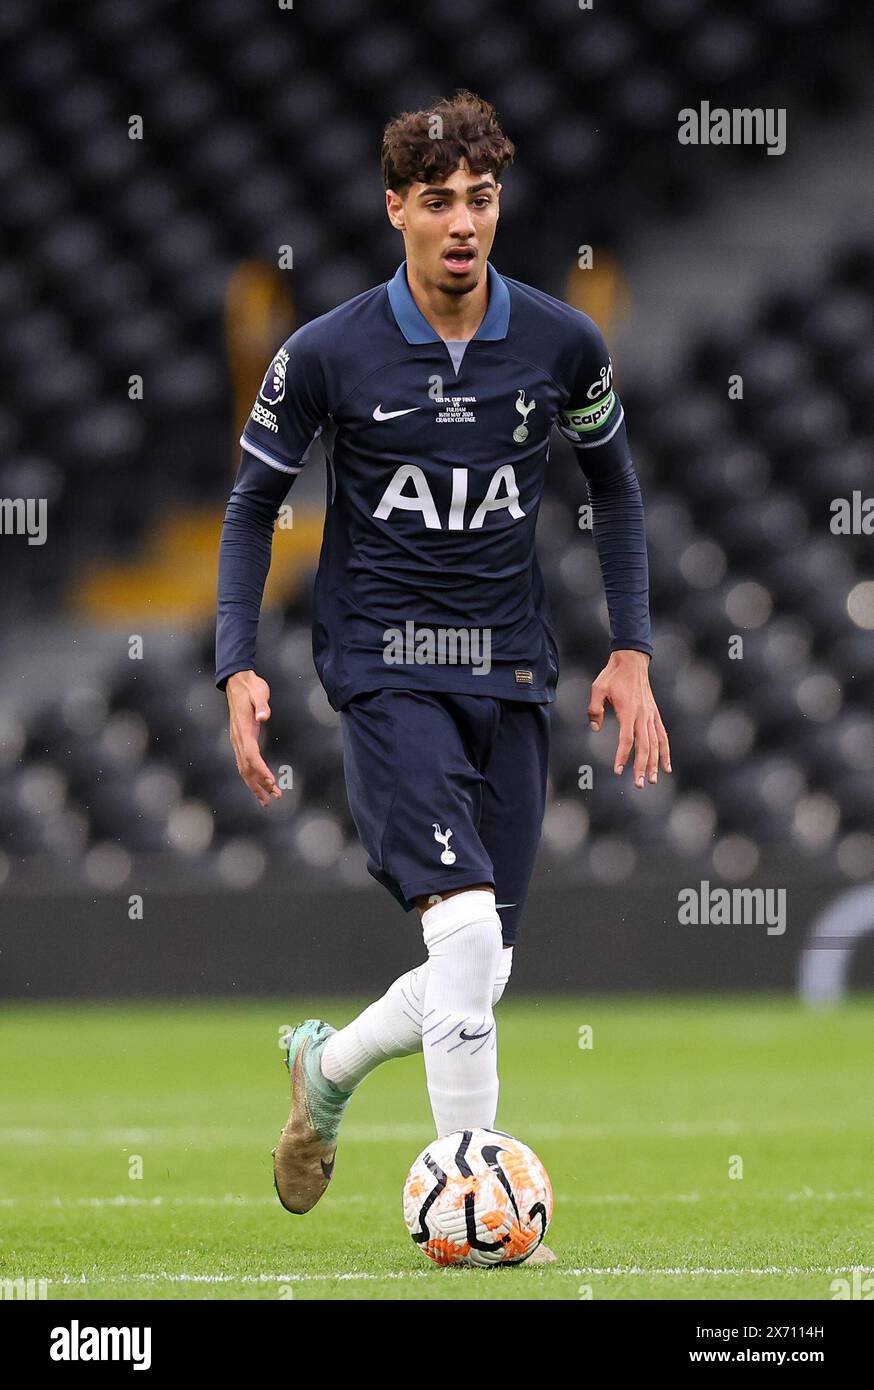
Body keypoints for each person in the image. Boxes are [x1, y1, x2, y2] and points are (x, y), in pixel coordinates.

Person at [215, 90, 671, 1262]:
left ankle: (327, 1068)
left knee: (478, 966)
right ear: (395, 213)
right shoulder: (325, 353)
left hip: (512, 673)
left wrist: (631, 649)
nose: (462, 223)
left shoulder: (561, 343)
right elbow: (253, 502)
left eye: (479, 199)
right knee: (464, 936)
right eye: (437, 203)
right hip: (384, 669)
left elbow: (615, 490)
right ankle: (478, 1205)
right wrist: (238, 667)